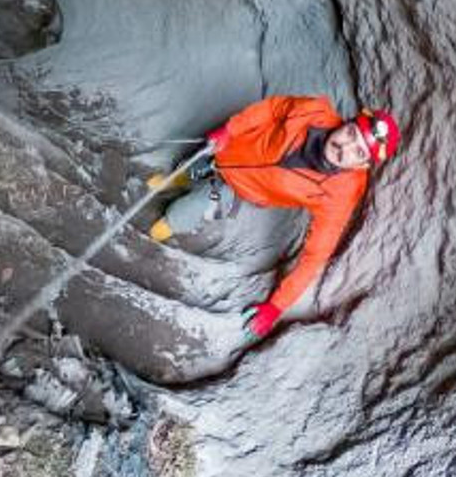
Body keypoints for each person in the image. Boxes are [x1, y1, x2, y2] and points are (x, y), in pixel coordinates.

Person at [146, 95, 400, 339]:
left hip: (239, 187)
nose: (344, 147)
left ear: (363, 165)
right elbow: (272, 109)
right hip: (230, 146)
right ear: (348, 122)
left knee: (186, 211)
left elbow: (314, 257)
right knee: (194, 169)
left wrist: (277, 306)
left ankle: (166, 225)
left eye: (358, 152)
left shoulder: (339, 197)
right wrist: (231, 129)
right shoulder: (315, 110)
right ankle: (176, 181)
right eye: (352, 134)